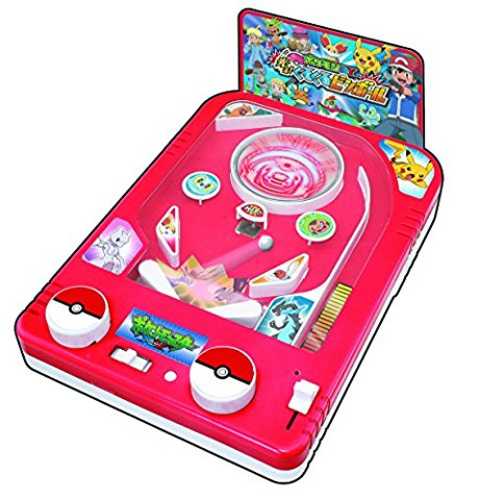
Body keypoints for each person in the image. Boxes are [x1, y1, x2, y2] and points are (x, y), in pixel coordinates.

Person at [375, 54, 423, 146]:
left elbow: (414, 96)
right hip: (392, 120)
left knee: (417, 145)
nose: (399, 75)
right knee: (376, 135)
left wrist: (400, 89)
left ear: (414, 80)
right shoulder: (392, 89)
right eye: (395, 72)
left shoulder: (412, 93)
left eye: (406, 74)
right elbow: (384, 94)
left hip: (408, 122)